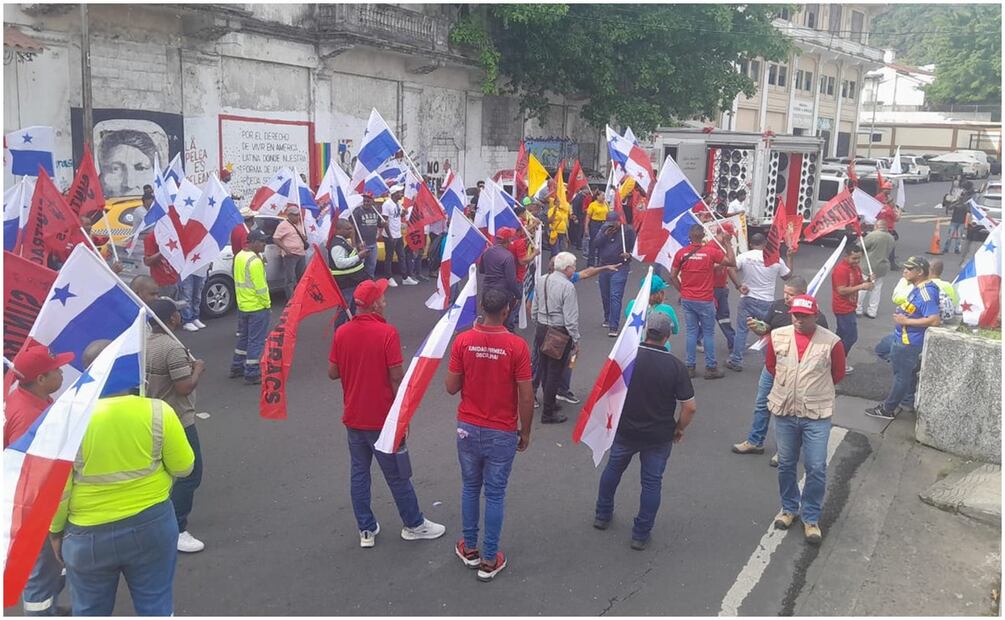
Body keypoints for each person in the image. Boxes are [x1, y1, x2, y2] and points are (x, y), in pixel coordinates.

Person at [50, 338, 194, 616]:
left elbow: (59, 491)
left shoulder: (68, 420)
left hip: (88, 536)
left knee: (91, 611)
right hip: (152, 524)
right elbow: (184, 467)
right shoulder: (157, 411)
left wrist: (56, 532)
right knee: (156, 606)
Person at [328, 279, 446, 547]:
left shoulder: (342, 333)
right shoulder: (387, 334)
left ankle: (366, 529)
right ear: (373, 305)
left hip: (353, 418)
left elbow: (333, 372)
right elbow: (396, 378)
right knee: (396, 474)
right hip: (382, 418)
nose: (385, 301)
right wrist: (401, 417)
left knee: (359, 473)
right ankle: (413, 524)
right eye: (382, 298)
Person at [446, 289, 533, 581]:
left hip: (468, 428)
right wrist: (527, 431)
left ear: (482, 306)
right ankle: (489, 558)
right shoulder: (516, 346)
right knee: (495, 493)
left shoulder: (463, 341)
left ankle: (469, 548)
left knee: (471, 487)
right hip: (502, 430)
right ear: (507, 311)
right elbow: (525, 394)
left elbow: (450, 386)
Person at [592, 311, 697, 550]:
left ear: (646, 330)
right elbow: (690, 407)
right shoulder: (675, 366)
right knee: (651, 483)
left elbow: (607, 390)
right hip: (658, 435)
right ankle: (640, 533)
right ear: (668, 335)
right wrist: (679, 428)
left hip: (626, 429)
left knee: (613, 469)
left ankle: (602, 514)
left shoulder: (627, 358)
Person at [764, 294, 845, 545]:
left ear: (815, 316)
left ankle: (811, 517)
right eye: (795, 315)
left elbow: (838, 373)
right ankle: (789, 508)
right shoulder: (778, 336)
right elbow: (771, 366)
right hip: (785, 410)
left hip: (816, 414)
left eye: (804, 316)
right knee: (786, 464)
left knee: (816, 467)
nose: (798, 320)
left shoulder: (831, 342)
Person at [4, 344, 74, 617]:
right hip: (33, 507)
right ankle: (40, 611)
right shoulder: (28, 417)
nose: (61, 373)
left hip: (37, 501)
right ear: (42, 379)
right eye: (55, 370)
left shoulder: (31, 398)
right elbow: (28, 472)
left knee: (50, 566)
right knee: (41, 567)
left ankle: (51, 607)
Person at [731, 277, 829, 464]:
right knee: (762, 403)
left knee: (786, 413)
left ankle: (784, 451)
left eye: (791, 295)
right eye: (785, 293)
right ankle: (755, 441)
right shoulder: (776, 306)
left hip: (795, 372)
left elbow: (824, 349)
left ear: (803, 294)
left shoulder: (817, 317)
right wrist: (757, 327)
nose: (786, 298)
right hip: (772, 366)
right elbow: (766, 328)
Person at [145, 299, 206, 554]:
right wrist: (198, 370)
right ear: (171, 319)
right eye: (178, 314)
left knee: (165, 474)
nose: (180, 317)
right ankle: (178, 529)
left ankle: (159, 522)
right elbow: (184, 387)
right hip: (178, 419)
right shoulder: (171, 348)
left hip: (152, 416)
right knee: (190, 472)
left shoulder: (145, 344)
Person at [865, 257, 941, 420]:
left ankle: (888, 409)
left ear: (919, 272)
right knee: (882, 349)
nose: (904, 271)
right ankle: (908, 382)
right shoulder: (918, 287)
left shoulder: (926, 292)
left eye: (909, 268)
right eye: (905, 267)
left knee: (901, 376)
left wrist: (906, 321)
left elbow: (934, 319)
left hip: (908, 342)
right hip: (901, 338)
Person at [669, 224, 736, 379]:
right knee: (708, 333)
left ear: (689, 236)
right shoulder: (711, 252)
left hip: (688, 299)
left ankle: (690, 367)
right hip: (705, 299)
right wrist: (727, 243)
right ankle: (711, 368)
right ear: (703, 235)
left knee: (692, 332)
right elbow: (731, 262)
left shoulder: (681, 254)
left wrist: (682, 290)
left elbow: (672, 275)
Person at [726, 233, 792, 371]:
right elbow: (788, 277)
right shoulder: (776, 259)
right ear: (765, 243)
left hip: (747, 299)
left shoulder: (744, 256)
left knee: (742, 331)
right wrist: (790, 257)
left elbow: (730, 268)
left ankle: (736, 360)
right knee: (766, 332)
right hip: (767, 301)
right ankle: (769, 362)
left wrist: (738, 285)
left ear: (751, 244)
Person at [531, 251, 580, 424]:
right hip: (558, 332)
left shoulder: (542, 280)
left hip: (542, 328)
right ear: (567, 268)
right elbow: (571, 318)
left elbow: (534, 308)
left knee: (544, 367)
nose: (574, 270)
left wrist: (538, 321)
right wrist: (575, 338)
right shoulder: (567, 287)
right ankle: (548, 412)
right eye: (573, 267)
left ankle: (548, 403)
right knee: (554, 372)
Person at [230, 230, 271, 385]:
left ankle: (237, 366)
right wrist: (267, 305)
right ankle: (252, 372)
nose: (264, 244)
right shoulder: (254, 262)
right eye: (262, 242)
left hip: (243, 305)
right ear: (252, 242)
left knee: (244, 338)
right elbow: (261, 288)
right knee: (256, 341)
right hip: (257, 307)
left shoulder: (240, 256)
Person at [591, 212, 636, 337]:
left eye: (613, 223)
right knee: (605, 294)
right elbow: (595, 244)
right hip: (604, 266)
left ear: (619, 221)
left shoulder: (627, 231)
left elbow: (635, 247)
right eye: (608, 223)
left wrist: (629, 254)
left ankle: (614, 326)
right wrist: (604, 235)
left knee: (615, 295)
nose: (611, 226)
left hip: (620, 266)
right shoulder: (604, 230)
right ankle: (607, 317)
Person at [831, 244, 873, 373]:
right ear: (846, 256)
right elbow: (841, 290)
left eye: (859, 259)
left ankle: (832, 358)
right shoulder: (840, 270)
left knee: (840, 336)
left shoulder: (856, 268)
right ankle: (839, 361)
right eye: (854, 258)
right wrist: (862, 287)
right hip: (842, 308)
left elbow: (859, 282)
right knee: (850, 337)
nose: (856, 261)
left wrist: (868, 281)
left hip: (851, 306)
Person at [480, 227, 522, 332]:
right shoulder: (508, 257)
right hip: (502, 293)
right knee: (504, 321)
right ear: (508, 240)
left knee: (489, 318)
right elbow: (511, 281)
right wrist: (518, 295)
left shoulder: (487, 251)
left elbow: (481, 270)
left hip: (487, 290)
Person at [328, 218, 369, 326]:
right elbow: (340, 263)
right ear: (338, 230)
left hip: (352, 280)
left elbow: (349, 255)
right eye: (347, 229)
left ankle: (349, 329)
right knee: (344, 308)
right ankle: (339, 331)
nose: (351, 231)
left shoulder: (343, 241)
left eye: (351, 228)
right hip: (345, 282)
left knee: (351, 308)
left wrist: (358, 251)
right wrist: (359, 256)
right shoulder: (337, 245)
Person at [623, 274, 680, 351]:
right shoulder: (667, 309)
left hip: (635, 347)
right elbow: (675, 330)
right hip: (660, 348)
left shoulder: (632, 304)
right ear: (661, 293)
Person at [857, 219, 897, 319]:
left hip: (868, 265)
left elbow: (860, 247)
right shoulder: (891, 238)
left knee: (863, 287)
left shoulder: (873, 235)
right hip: (882, 267)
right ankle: (872, 311)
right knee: (876, 289)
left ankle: (858, 309)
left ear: (876, 226)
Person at [273, 206, 308, 300]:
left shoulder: (300, 223)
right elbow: (275, 239)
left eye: (298, 215)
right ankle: (291, 299)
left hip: (301, 253)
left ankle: (301, 297)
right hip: (290, 255)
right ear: (289, 215)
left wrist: (304, 238)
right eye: (295, 215)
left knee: (301, 277)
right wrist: (286, 249)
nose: (297, 217)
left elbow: (303, 236)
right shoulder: (283, 225)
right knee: (290, 279)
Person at [382, 185, 414, 286]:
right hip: (389, 236)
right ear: (394, 194)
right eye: (400, 192)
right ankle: (389, 277)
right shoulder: (387, 204)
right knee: (389, 257)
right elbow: (384, 221)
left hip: (398, 234)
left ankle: (405, 277)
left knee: (402, 256)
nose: (401, 194)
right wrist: (390, 236)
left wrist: (404, 213)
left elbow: (399, 215)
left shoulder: (398, 203)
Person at [353, 195, 384, 278]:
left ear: (372, 201)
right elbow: (353, 228)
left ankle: (370, 280)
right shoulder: (357, 211)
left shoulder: (375, 211)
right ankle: (360, 281)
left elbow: (379, 225)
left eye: (368, 201)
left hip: (373, 243)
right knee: (360, 265)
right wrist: (355, 243)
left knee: (372, 264)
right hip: (362, 244)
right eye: (364, 201)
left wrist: (383, 224)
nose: (366, 203)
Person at [143, 229, 180, 299]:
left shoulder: (173, 235)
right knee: (162, 307)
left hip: (174, 281)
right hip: (161, 283)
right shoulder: (151, 238)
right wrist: (162, 252)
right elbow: (147, 261)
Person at [928, 258, 960, 323]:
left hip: (931, 318)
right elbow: (954, 302)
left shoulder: (926, 284)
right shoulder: (948, 285)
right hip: (946, 318)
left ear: (930, 270)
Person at [941, 189, 970, 254]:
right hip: (954, 222)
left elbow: (968, 211)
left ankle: (957, 249)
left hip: (961, 223)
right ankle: (946, 248)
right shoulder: (956, 203)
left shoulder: (966, 205)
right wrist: (956, 203)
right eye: (961, 196)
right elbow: (950, 208)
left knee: (959, 237)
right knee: (950, 236)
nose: (962, 198)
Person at [585, 190, 609, 261]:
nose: (604, 197)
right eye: (602, 195)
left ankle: (600, 261)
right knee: (593, 243)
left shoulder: (606, 204)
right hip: (595, 224)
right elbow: (588, 216)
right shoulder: (592, 205)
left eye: (604, 196)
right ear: (597, 196)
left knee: (602, 243)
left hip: (604, 224)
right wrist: (586, 227)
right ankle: (591, 262)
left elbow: (608, 214)